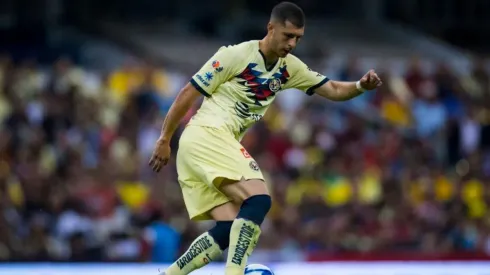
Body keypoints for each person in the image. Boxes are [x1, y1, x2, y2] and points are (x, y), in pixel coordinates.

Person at [148, 2, 382, 275]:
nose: (292, 43)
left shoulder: (289, 68)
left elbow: (330, 88)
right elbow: (189, 91)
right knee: (258, 200)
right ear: (270, 28)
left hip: (205, 146)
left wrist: (359, 86)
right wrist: (164, 138)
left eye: (298, 38)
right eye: (288, 36)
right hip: (207, 135)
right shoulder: (235, 55)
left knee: (227, 228)